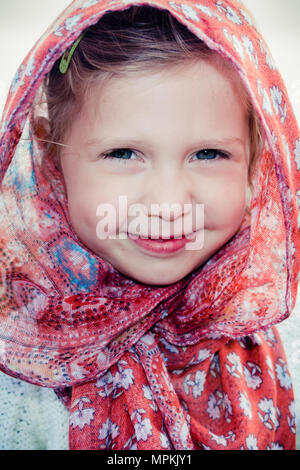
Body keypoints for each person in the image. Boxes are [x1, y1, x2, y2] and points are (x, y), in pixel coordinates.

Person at [0, 0, 299, 451]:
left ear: (259, 158)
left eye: (209, 154)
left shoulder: (283, 337)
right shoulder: (15, 374)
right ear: (51, 159)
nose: (168, 203)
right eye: (123, 154)